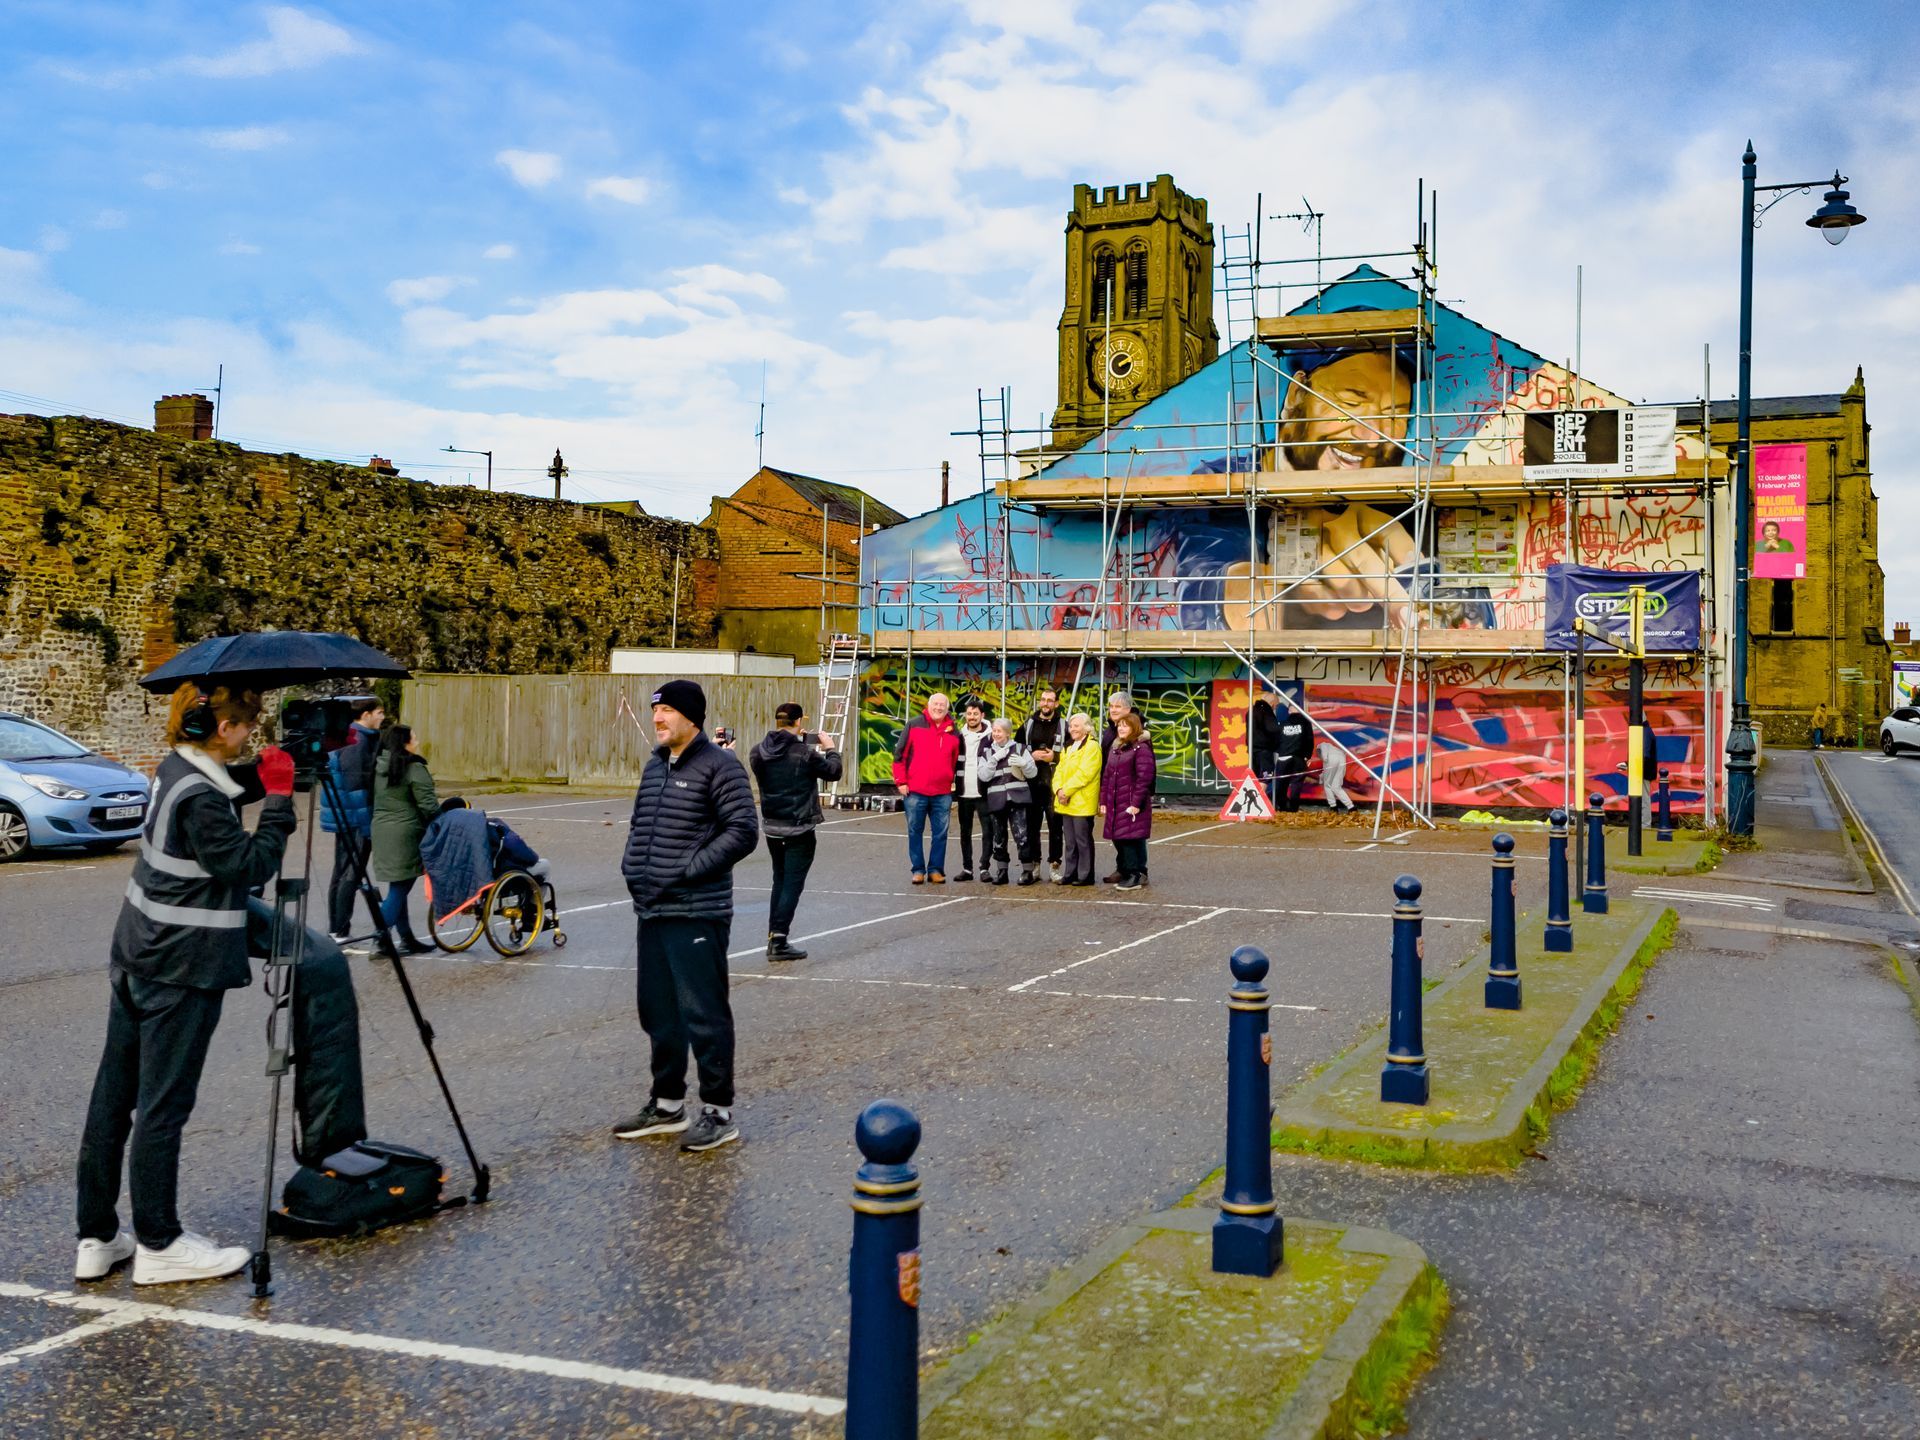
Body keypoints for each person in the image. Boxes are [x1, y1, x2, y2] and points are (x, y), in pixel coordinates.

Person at [75, 683, 297, 1286]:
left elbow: (216, 794)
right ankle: (160, 1243)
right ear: (221, 728)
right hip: (181, 967)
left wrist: (263, 775)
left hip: (137, 954)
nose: (250, 733)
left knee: (112, 1103)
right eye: (245, 725)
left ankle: (96, 1237)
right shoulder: (201, 795)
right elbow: (247, 866)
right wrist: (278, 802)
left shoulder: (173, 768)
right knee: (163, 1108)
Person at [615, 680, 759, 1153]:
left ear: (692, 717)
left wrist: (689, 870)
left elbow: (742, 831)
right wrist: (633, 867)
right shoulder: (655, 766)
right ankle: (668, 1104)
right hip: (653, 909)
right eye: (656, 711)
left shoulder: (722, 767)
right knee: (659, 1011)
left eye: (669, 711)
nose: (658, 719)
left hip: (697, 911)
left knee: (704, 1013)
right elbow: (642, 826)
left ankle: (718, 1111)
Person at [748, 701, 843, 961]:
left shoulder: (758, 752)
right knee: (791, 882)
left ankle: (774, 936)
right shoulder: (804, 753)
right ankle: (779, 939)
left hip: (772, 825)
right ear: (799, 721)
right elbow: (833, 772)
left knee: (779, 879)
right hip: (798, 826)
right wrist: (831, 749)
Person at [318, 697, 383, 941]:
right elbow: (356, 785)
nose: (382, 717)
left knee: (342, 871)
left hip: (345, 813)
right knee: (350, 873)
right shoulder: (357, 740)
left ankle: (337, 927)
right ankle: (340, 928)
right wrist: (367, 823)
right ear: (365, 714)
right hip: (354, 816)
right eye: (379, 712)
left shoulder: (350, 736)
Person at [370, 725, 438, 955]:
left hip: (381, 829)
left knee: (397, 886)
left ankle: (407, 938)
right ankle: (380, 938)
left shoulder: (380, 766)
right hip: (405, 832)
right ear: (405, 742)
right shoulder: (413, 768)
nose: (417, 740)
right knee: (400, 888)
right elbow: (427, 804)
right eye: (414, 737)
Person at [892, 690, 960, 884]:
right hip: (915, 791)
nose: (938, 708)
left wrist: (950, 780)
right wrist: (901, 781)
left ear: (947, 708)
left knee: (941, 833)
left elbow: (955, 760)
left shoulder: (954, 730)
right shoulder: (913, 725)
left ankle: (936, 870)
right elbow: (900, 755)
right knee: (915, 831)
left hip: (942, 792)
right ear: (928, 706)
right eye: (935, 704)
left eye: (942, 705)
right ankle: (918, 870)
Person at [977, 717, 1038, 886]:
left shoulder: (1021, 748)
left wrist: (1025, 764)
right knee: (999, 837)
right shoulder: (987, 753)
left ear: (1008, 733)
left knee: (1022, 836)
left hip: (1018, 799)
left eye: (1000, 731)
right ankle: (1002, 870)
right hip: (997, 800)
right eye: (994, 731)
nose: (996, 734)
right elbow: (983, 776)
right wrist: (994, 759)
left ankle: (1027, 871)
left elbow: (1032, 773)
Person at [1099, 711, 1157, 890]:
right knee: (1119, 838)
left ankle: (1135, 874)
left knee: (1129, 839)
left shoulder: (1141, 749)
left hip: (1130, 804)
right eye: (1120, 725)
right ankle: (1126, 870)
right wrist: (1104, 801)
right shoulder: (1117, 748)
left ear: (1134, 727)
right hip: (1116, 802)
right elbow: (1107, 776)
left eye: (1126, 725)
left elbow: (1144, 778)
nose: (1121, 728)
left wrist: (1136, 803)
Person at [1018, 688, 1066, 882]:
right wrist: (1031, 755)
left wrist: (1054, 756)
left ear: (1056, 704)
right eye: (1043, 700)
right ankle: (1034, 866)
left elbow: (1072, 752)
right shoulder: (1028, 724)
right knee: (1032, 826)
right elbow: (1017, 747)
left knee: (1056, 826)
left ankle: (1055, 865)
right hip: (1032, 784)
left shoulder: (1064, 725)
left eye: (1050, 701)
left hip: (1055, 784)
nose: (1046, 703)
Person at [1053, 713, 1102, 886]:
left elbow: (1085, 774)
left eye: (1077, 726)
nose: (1072, 729)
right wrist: (1058, 790)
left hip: (1082, 802)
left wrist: (1065, 791)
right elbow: (1058, 771)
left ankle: (1085, 875)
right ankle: (1070, 873)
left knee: (1083, 840)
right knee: (1070, 841)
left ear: (1087, 727)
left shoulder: (1092, 747)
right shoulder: (1068, 747)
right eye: (1071, 726)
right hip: (1066, 801)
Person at [951, 697, 992, 881]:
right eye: (969, 714)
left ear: (982, 716)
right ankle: (967, 869)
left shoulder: (991, 736)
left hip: (984, 792)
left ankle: (984, 868)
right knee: (964, 831)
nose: (972, 717)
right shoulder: (958, 736)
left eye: (976, 714)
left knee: (987, 831)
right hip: (964, 792)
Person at [1272, 702, 1314, 813]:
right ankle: (1293, 809)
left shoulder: (1283, 724)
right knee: (1297, 784)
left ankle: (1282, 807)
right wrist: (1307, 756)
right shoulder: (1305, 723)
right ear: (1301, 710)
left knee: (1281, 784)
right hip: (1299, 758)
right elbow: (1309, 741)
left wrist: (1281, 751)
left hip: (1284, 758)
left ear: (1289, 710)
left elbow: (1276, 741)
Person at [1249, 696, 1282, 797]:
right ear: (1272, 704)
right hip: (1264, 749)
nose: (1275, 708)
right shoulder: (1266, 712)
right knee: (1266, 775)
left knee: (1256, 776)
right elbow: (1272, 729)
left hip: (1252, 749)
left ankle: (1254, 797)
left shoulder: (1252, 711)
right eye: (1276, 705)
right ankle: (1257, 799)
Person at [1318, 738, 1354, 811]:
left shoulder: (1322, 745)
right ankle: (1351, 807)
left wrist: (1324, 757)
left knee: (1327, 785)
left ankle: (1333, 807)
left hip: (1331, 759)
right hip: (1342, 760)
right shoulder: (1336, 749)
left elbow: (1323, 752)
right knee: (1336, 786)